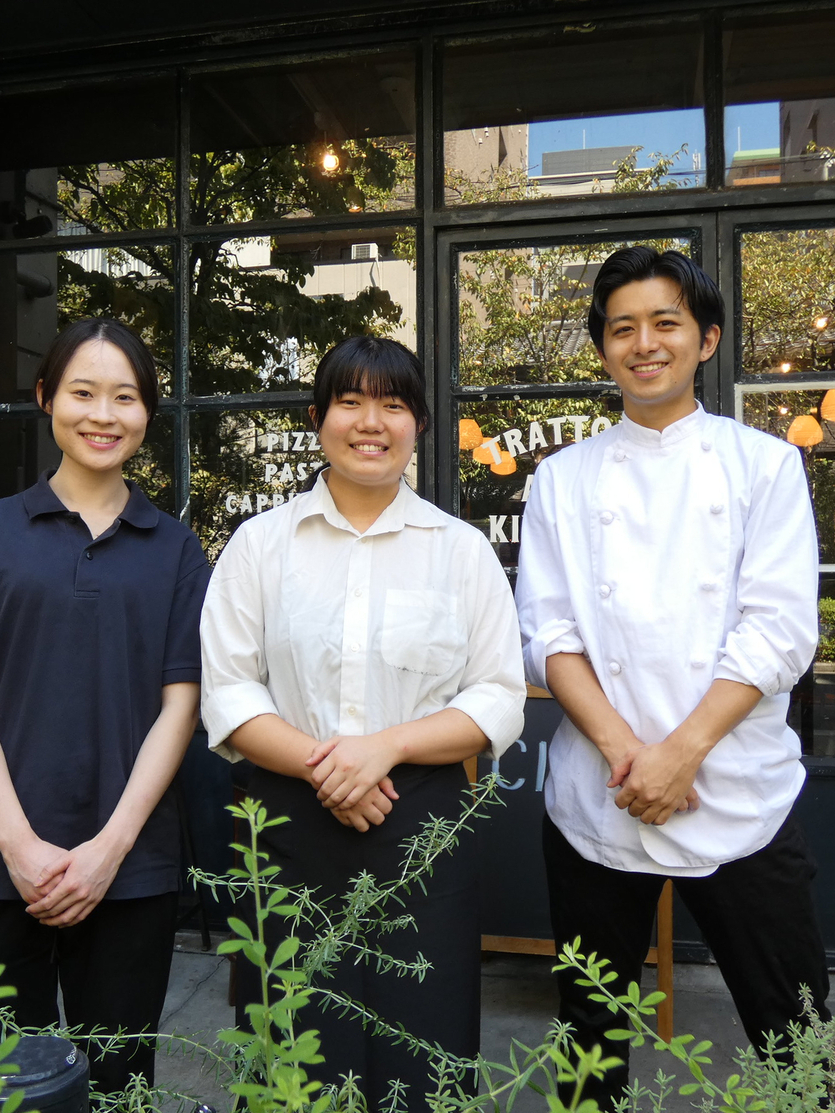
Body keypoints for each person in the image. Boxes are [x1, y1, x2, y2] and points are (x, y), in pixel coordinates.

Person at [515, 247, 835, 1108]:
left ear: (705, 339)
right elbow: (548, 632)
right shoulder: (561, 478)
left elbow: (778, 630)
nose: (644, 343)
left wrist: (683, 753)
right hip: (603, 793)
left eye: (665, 322)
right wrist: (630, 751)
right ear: (602, 347)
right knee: (589, 1042)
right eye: (622, 327)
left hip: (736, 790)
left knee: (798, 1032)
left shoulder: (764, 465)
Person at [199, 335, 526, 1108]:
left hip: (422, 827)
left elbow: (498, 696)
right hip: (285, 824)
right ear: (319, 419)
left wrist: (386, 747)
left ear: (418, 424)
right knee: (291, 1049)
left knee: (425, 1047)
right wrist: (328, 766)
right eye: (350, 400)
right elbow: (231, 691)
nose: (369, 420)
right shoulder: (260, 546)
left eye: (393, 403)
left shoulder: (460, 550)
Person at [0, 317, 210, 1094]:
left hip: (131, 867)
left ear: (148, 412)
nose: (103, 415)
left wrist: (107, 849)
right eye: (83, 392)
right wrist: (19, 845)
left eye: (125, 396)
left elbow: (182, 706)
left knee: (119, 1083)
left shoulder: (177, 549)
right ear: (46, 399)